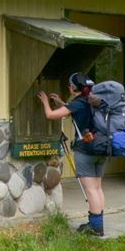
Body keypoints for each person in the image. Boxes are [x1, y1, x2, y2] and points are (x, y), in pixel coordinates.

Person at [38, 72, 106, 237]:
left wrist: (46, 102)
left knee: (90, 189)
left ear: (74, 88)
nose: (68, 88)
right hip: (101, 147)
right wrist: (63, 103)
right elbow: (77, 111)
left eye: (69, 86)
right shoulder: (93, 100)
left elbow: (51, 115)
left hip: (86, 150)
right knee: (97, 188)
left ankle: (95, 227)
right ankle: (97, 223)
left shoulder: (78, 103)